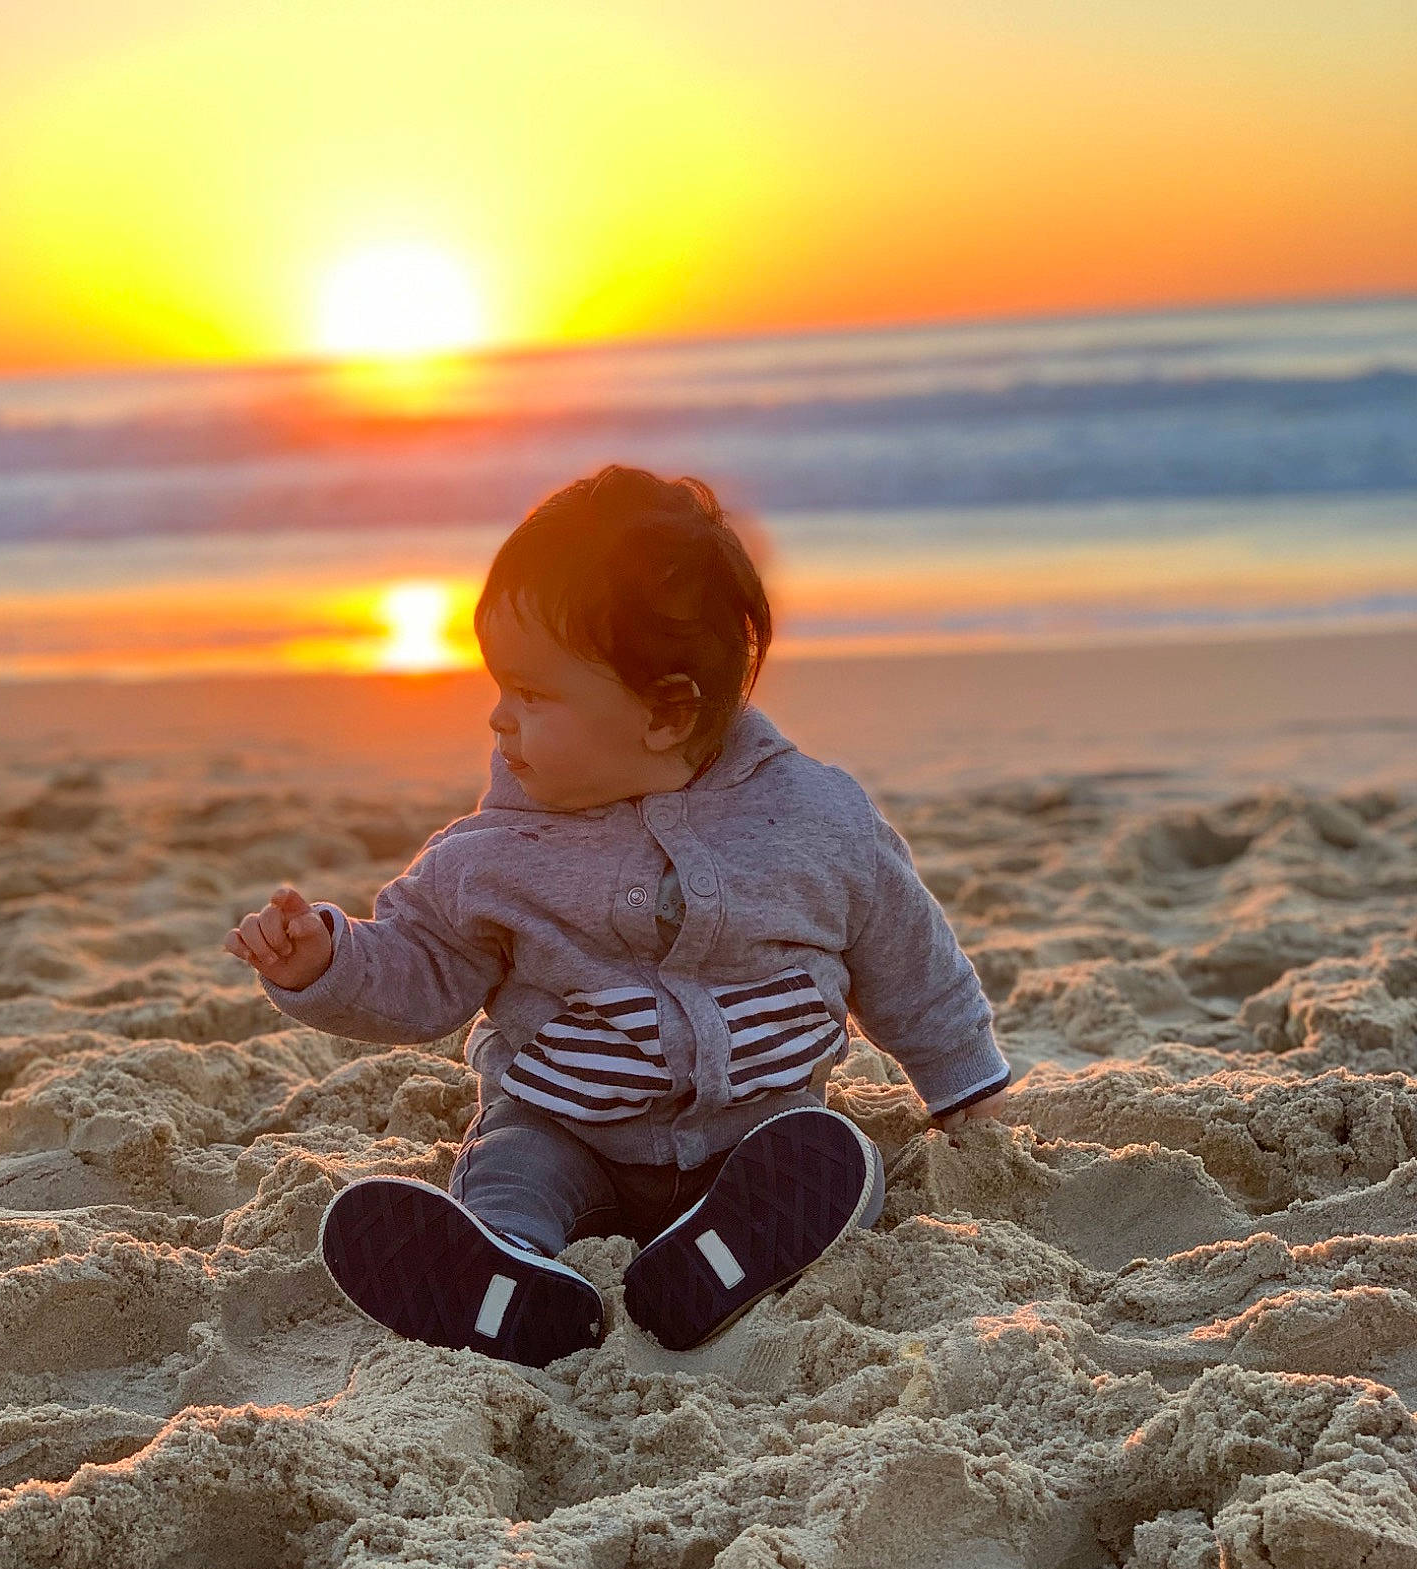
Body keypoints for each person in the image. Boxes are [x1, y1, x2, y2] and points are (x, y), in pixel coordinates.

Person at [224, 466, 1009, 1369]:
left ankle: (722, 1257)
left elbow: (910, 958)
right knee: (510, 1166)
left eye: (533, 695)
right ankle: (509, 1275)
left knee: (831, 1160)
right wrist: (326, 961)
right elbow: (423, 967)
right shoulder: (496, 852)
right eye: (500, 688)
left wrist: (964, 1084)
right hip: (572, 1131)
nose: (498, 719)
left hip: (753, 1129)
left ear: (667, 712)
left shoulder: (817, 821)